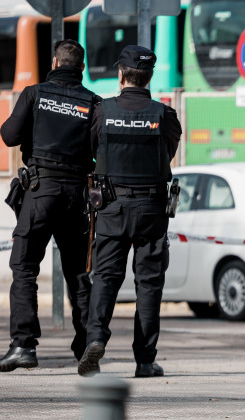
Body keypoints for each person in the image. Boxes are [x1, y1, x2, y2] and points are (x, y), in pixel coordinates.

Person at [0, 40, 98, 371]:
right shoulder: (94, 103)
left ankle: (24, 345)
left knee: (24, 266)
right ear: (81, 67)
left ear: (54, 61)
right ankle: (86, 344)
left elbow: (8, 136)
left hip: (40, 191)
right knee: (79, 273)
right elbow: (101, 150)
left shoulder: (35, 94)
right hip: (77, 196)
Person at [77, 45, 182, 378]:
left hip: (111, 206)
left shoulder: (102, 111)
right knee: (149, 285)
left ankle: (95, 339)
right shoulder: (164, 114)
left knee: (105, 279)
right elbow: (169, 151)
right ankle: (145, 360)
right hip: (151, 208)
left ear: (121, 74)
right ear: (149, 76)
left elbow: (91, 149)